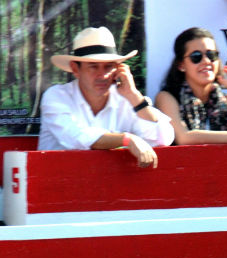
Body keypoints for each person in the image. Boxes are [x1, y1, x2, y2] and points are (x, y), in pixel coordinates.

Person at [39, 26, 174, 168]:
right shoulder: (56, 96)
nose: (102, 75)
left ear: (118, 69)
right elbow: (77, 138)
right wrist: (127, 139)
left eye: (108, 66)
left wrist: (134, 96)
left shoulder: (125, 99)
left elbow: (163, 138)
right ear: (75, 69)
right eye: (93, 66)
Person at [156, 27, 227, 154]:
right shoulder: (167, 97)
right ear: (181, 65)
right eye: (196, 56)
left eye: (211, 55)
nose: (206, 61)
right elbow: (184, 137)